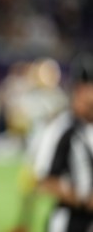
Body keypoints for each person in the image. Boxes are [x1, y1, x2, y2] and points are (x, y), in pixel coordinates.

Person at [33, 52, 93, 232]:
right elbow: (43, 180)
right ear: (80, 89)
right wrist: (83, 198)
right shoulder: (61, 127)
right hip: (68, 223)